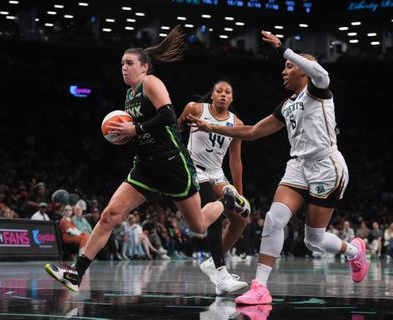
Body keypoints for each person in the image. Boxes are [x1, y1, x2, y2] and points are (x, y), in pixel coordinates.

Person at [44, 25, 244, 292]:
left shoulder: (151, 83)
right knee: (109, 215)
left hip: (172, 162)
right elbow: (139, 129)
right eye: (122, 64)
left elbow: (169, 116)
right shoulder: (128, 95)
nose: (124, 68)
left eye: (129, 63)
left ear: (144, 67)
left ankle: (226, 199)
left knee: (198, 225)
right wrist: (125, 136)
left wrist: (134, 130)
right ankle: (76, 274)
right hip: (145, 165)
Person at [187, 30, 369, 305]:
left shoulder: (319, 89)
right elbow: (252, 132)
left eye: (289, 67)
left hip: (326, 166)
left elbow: (321, 72)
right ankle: (260, 287)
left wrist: (283, 49)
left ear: (304, 71)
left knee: (314, 240)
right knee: (274, 220)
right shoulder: (286, 105)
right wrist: (210, 126)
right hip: (298, 166)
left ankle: (354, 251)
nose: (283, 72)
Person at [178, 80, 250, 294]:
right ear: (212, 95)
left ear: (232, 98)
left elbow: (235, 161)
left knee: (242, 217)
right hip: (195, 168)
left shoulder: (237, 123)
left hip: (216, 172)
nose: (223, 95)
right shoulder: (195, 109)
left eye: (228, 92)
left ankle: (211, 262)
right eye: (219, 91)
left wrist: (240, 194)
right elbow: (177, 125)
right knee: (215, 214)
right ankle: (221, 274)